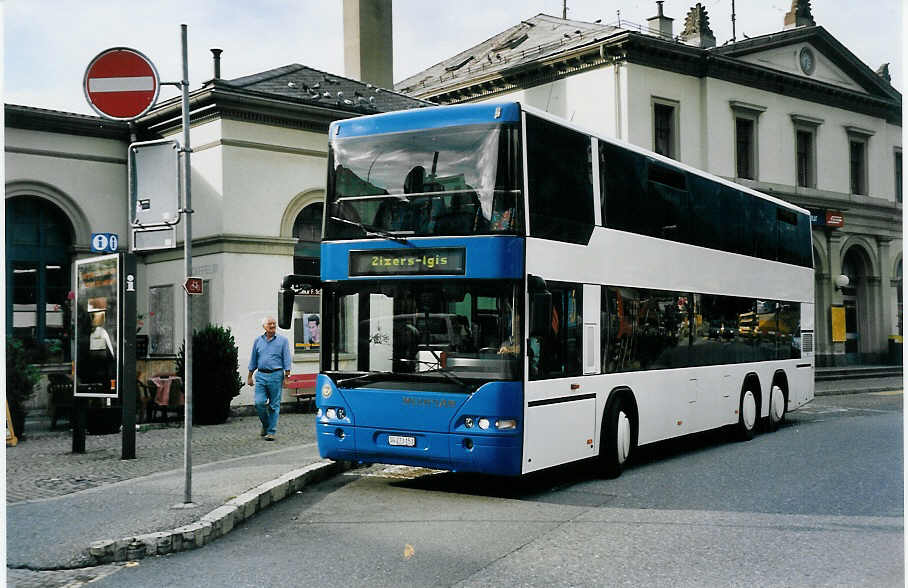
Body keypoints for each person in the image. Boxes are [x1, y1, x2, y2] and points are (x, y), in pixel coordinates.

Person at [247, 316, 291, 441]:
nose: (272, 326)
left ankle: (271, 431)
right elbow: (253, 359)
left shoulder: (283, 341)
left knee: (274, 405)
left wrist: (287, 377)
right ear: (264, 326)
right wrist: (250, 376)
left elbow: (287, 359)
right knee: (259, 402)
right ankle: (266, 425)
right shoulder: (258, 341)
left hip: (276, 375)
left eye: (274, 324)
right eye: (270, 324)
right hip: (260, 375)